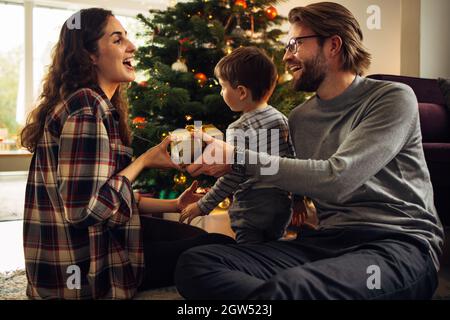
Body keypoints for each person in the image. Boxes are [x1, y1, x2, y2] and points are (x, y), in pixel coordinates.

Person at [174, 2, 444, 299]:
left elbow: (337, 179)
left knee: (297, 287)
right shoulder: (300, 119)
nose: (286, 56)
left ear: (333, 45)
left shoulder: (392, 98)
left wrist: (238, 156)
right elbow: (283, 172)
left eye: (295, 44)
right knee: (198, 262)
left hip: (396, 244)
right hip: (326, 242)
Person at [20, 8, 234, 300]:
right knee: (220, 248)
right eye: (117, 39)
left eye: (127, 38)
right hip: (89, 270)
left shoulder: (94, 104)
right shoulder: (87, 108)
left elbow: (109, 195)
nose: (132, 46)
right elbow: (86, 210)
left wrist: (174, 205)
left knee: (206, 242)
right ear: (90, 55)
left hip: (91, 251)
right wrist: (143, 161)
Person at [179, 47, 295, 244]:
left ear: (241, 92)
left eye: (223, 87)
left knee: (248, 254)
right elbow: (291, 161)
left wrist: (202, 206)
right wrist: (299, 200)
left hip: (252, 208)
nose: (221, 92)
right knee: (272, 248)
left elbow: (234, 175)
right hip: (282, 205)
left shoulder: (238, 127)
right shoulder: (280, 118)